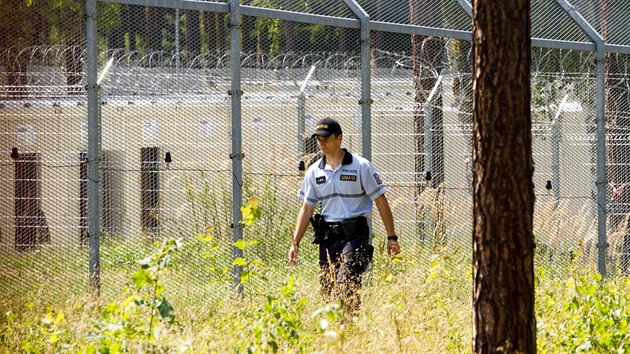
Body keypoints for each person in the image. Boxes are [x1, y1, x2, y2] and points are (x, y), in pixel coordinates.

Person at [288, 117, 400, 315]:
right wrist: (295, 242)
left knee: (345, 284)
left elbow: (381, 200)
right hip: (328, 239)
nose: (321, 143)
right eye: (318, 139)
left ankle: (347, 327)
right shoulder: (314, 172)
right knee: (329, 292)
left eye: (326, 139)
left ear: (339, 138)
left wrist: (391, 237)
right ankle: (342, 332)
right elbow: (306, 209)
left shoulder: (361, 166)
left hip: (354, 237)